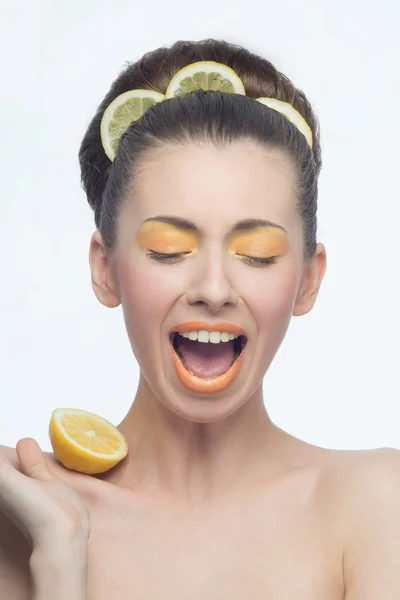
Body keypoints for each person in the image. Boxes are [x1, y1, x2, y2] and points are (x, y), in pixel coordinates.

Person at [1, 38, 399, 600]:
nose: (214, 290)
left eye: (257, 253)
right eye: (168, 249)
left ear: (309, 278)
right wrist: (60, 563)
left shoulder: (377, 506)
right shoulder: (21, 513)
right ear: (105, 268)